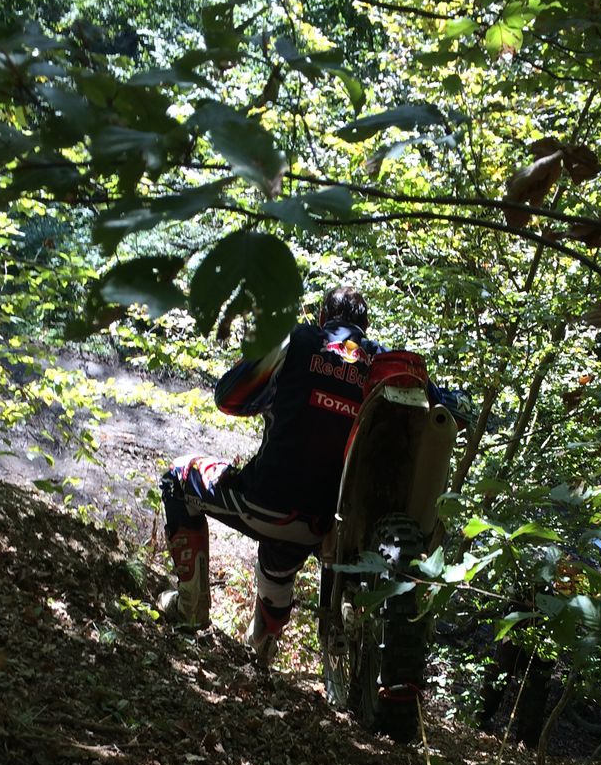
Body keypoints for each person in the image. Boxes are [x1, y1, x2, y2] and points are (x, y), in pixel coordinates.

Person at [160, 285, 469, 666]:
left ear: (323, 318)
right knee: (279, 559)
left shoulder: (296, 339)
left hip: (266, 501)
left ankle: (190, 608)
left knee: (177, 476)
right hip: (327, 526)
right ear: (366, 326)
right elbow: (453, 411)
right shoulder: (386, 366)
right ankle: (262, 651)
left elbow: (228, 398)